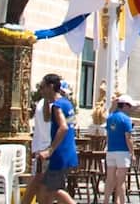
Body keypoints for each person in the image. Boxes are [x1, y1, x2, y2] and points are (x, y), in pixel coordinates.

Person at [34, 75, 79, 204]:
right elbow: (47, 118)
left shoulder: (58, 106)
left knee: (53, 191)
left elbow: (63, 127)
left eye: (43, 87)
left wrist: (50, 150)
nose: (40, 91)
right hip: (67, 151)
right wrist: (46, 100)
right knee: (45, 190)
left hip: (59, 153)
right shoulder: (66, 103)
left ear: (51, 87)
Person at [104, 95, 138, 204]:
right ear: (124, 106)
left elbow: (108, 135)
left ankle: (106, 201)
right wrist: (132, 153)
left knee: (110, 179)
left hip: (111, 150)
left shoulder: (110, 118)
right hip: (122, 151)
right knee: (121, 181)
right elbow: (128, 137)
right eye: (129, 106)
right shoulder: (126, 119)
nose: (130, 108)